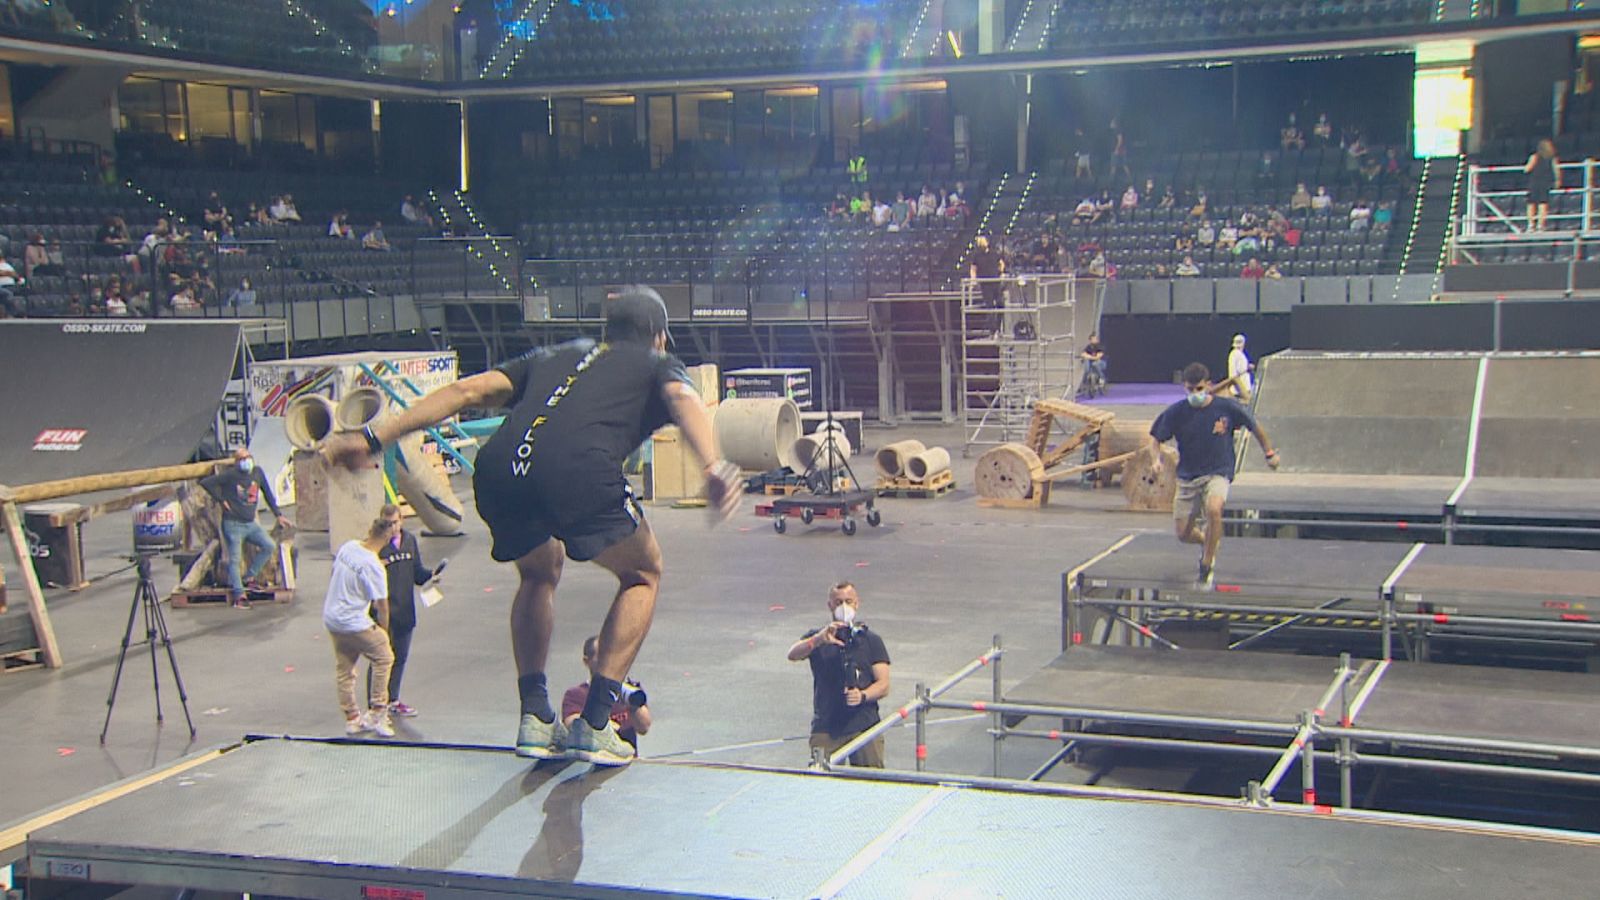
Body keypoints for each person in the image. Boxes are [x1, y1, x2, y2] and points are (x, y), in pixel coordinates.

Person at [322, 286, 743, 767]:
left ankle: (535, 717)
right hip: (578, 471)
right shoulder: (656, 362)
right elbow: (684, 398)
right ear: (660, 337)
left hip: (500, 472)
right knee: (643, 572)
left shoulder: (555, 353)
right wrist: (712, 465)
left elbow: (466, 391)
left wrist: (373, 437)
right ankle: (597, 722)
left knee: (540, 571)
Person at [1144, 363, 1280, 590]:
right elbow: (1154, 440)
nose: (1194, 394)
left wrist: (1269, 453)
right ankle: (1208, 542)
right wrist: (1156, 459)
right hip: (1188, 477)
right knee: (1183, 533)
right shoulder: (1177, 412)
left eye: (1198, 389)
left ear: (1208, 385)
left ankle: (1206, 563)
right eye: (1190, 390)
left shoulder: (1226, 408)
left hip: (1218, 471)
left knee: (1214, 508)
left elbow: (1255, 426)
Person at [786, 582, 891, 768]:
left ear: (857, 604)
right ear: (830, 605)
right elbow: (793, 654)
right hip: (827, 726)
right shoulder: (818, 638)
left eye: (848, 601)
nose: (844, 607)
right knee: (824, 780)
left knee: (872, 781)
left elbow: (883, 684)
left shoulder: (870, 640)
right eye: (838, 602)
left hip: (864, 725)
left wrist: (863, 695)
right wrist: (817, 640)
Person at [325, 505, 400, 739]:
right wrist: (384, 632)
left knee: (345, 668)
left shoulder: (348, 547)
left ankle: (352, 719)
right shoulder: (374, 566)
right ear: (387, 537)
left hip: (332, 617)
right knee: (384, 657)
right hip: (354, 622)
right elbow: (382, 606)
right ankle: (378, 712)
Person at [200, 448, 292, 609]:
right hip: (233, 523)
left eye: (248, 457)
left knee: (268, 545)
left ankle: (249, 577)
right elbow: (206, 483)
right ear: (236, 462)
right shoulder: (230, 475)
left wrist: (278, 514)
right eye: (242, 459)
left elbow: (268, 494)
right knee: (234, 559)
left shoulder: (257, 473)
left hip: (250, 524)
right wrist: (221, 500)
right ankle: (239, 595)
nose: (246, 461)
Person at [378, 518, 444, 718]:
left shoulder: (409, 541)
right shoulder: (377, 546)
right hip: (384, 613)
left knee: (400, 658)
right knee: (381, 659)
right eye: (388, 524)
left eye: (396, 522)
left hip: (406, 611)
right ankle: (377, 703)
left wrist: (431, 575)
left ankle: (393, 700)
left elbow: (416, 572)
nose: (393, 527)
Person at [561, 635, 652, 751]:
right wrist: (602, 722)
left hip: (627, 763)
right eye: (602, 656)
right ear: (587, 661)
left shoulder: (630, 690)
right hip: (593, 760)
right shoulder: (576, 694)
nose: (609, 661)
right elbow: (571, 724)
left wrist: (633, 705)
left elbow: (644, 727)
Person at [968, 235, 1005, 337]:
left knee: (1001, 304)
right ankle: (993, 330)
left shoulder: (994, 253)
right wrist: (973, 280)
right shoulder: (977, 255)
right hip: (985, 284)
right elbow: (973, 268)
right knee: (990, 307)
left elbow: (1001, 263)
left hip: (996, 282)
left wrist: (1001, 272)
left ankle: (998, 327)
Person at [1525, 138, 1559, 233]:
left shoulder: (1534, 157)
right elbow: (1556, 170)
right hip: (1546, 182)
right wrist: (1557, 181)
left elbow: (1527, 169)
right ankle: (1541, 225)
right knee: (1543, 204)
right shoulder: (1552, 158)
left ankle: (1531, 225)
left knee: (1531, 204)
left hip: (1535, 182)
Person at [1227, 333, 1253, 402]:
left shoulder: (1237, 353)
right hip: (1240, 388)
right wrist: (1248, 367)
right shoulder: (1235, 354)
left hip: (1242, 386)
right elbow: (1238, 371)